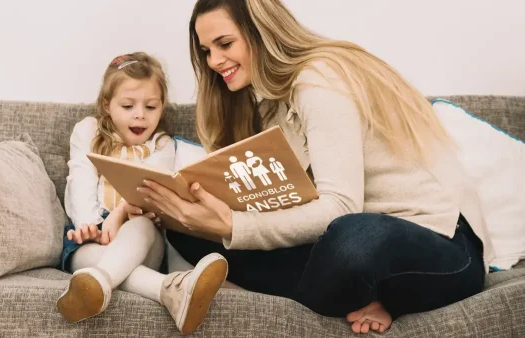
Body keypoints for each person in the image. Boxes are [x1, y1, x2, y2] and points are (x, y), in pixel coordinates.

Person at [136, 0, 495, 334]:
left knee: (351, 239)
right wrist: (181, 208)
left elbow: (341, 206)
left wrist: (234, 224)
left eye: (224, 44)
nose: (214, 60)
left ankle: (340, 291)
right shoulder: (265, 103)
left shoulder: (318, 79)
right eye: (206, 51)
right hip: (350, 253)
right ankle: (348, 293)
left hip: (442, 244)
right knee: (189, 227)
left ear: (261, 33)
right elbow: (278, 205)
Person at [57, 52, 229, 335]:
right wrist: (90, 226)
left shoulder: (162, 144)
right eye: (127, 105)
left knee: (142, 222)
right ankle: (167, 290)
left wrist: (120, 214)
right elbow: (80, 180)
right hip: (89, 239)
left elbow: (148, 190)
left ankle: (97, 283)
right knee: (88, 257)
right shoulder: (88, 131)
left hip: (146, 242)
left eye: (151, 107)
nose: (140, 114)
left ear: (162, 108)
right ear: (106, 105)